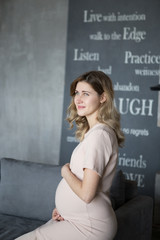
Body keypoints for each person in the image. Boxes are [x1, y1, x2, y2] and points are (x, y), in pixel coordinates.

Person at [16, 71, 125, 240]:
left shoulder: (100, 135)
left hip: (89, 226)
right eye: (77, 93)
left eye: (86, 94)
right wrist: (67, 209)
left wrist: (65, 172)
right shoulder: (94, 133)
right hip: (77, 220)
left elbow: (87, 194)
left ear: (103, 97)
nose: (78, 99)